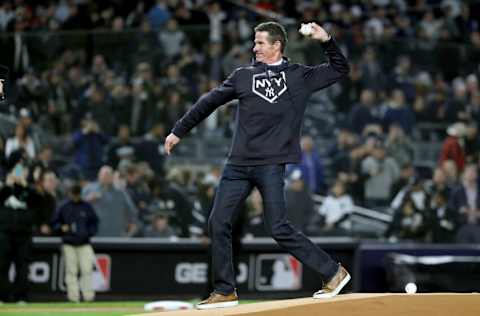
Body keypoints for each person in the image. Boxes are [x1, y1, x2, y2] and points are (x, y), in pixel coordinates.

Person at [164, 21, 351, 309]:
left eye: (261, 42)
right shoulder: (243, 76)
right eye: (255, 42)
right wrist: (179, 130)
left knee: (278, 227)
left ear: (277, 46)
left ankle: (333, 272)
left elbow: (340, 69)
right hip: (237, 165)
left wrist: (326, 39)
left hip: (271, 164)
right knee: (217, 222)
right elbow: (209, 101)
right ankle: (225, 290)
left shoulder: (299, 76)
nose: (254, 47)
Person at [51, 184, 99, 302]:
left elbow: (95, 222)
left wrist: (89, 233)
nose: (75, 196)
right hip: (69, 243)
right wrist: (61, 228)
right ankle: (74, 297)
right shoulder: (64, 206)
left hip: (84, 243)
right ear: (70, 193)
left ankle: (88, 297)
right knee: (71, 271)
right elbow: (54, 223)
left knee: (87, 270)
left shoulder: (86, 206)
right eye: (74, 193)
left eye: (77, 194)